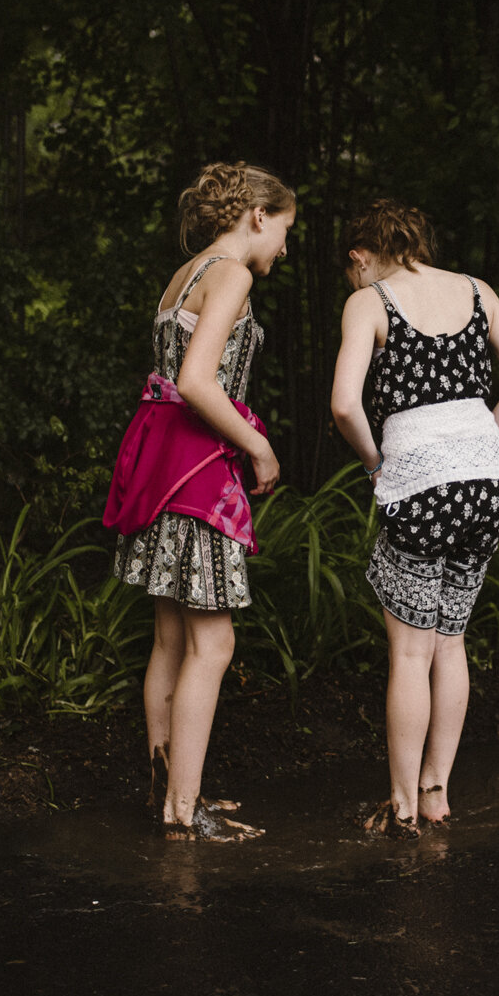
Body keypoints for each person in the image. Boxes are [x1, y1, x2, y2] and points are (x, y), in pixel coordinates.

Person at [330, 200, 499, 836]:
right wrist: (479, 440)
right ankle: (436, 793)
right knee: (449, 638)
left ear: (360, 256)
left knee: (409, 647)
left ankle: (400, 804)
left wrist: (376, 463)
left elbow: (346, 405)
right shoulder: (477, 290)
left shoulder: (370, 300)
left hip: (420, 483)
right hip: (488, 481)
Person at [105, 161, 295, 841]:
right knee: (213, 643)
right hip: (198, 470)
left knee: (171, 636)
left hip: (158, 463)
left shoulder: (182, 273)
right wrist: (260, 448)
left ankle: (170, 789)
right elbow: (196, 381)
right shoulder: (233, 273)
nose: (284, 246)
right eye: (285, 230)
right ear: (256, 217)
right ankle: (185, 809)